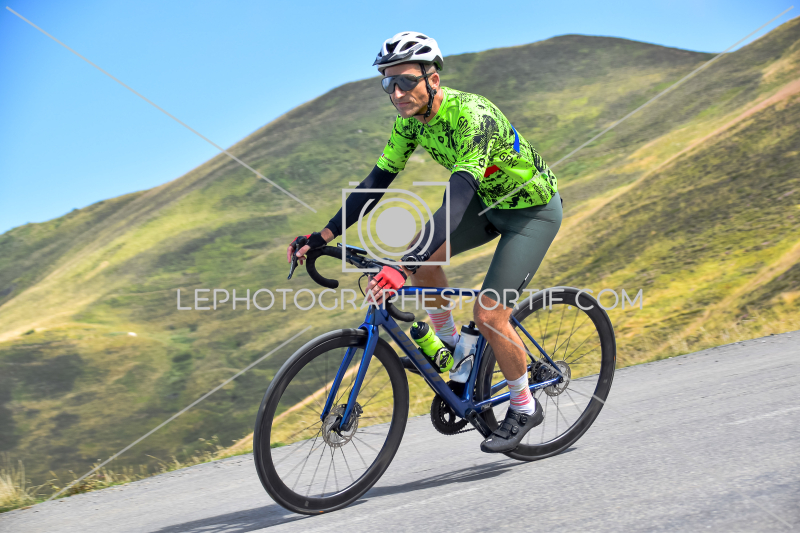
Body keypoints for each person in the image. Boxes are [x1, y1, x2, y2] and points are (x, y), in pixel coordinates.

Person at [288, 31, 562, 454]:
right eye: (389, 83)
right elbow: (375, 183)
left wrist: (403, 266)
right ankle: (452, 346)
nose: (397, 92)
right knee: (421, 257)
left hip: (531, 212)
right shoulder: (409, 122)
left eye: (406, 81)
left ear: (433, 79)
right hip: (488, 205)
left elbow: (457, 198)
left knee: (489, 314)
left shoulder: (473, 116)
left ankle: (524, 405)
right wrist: (322, 236)